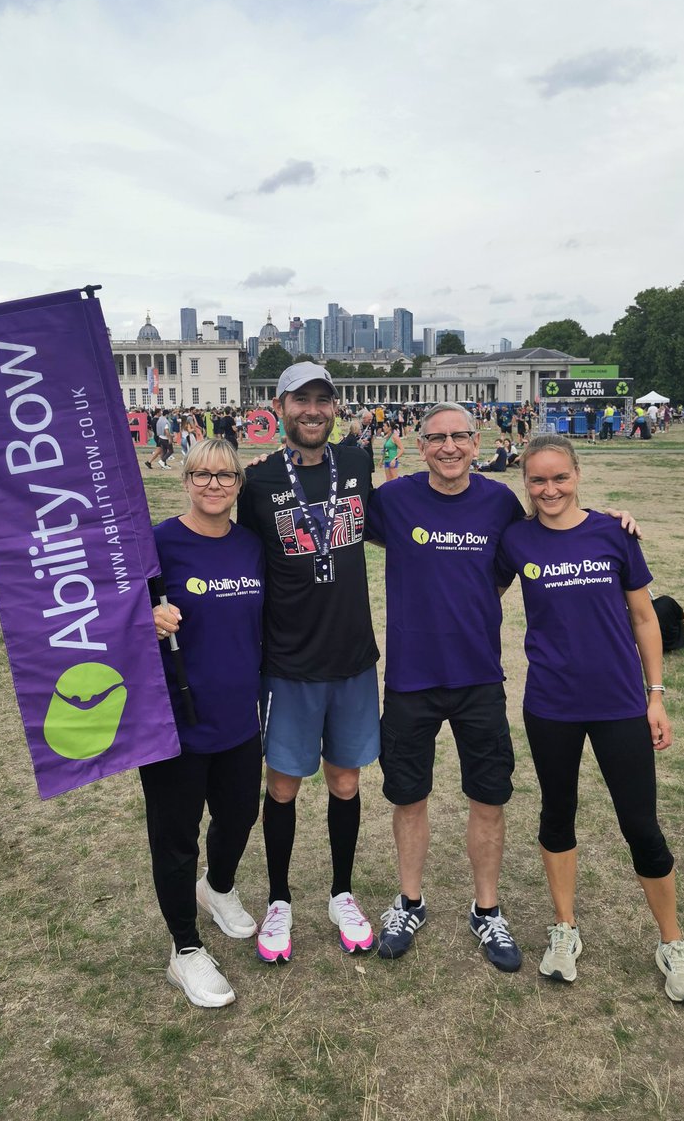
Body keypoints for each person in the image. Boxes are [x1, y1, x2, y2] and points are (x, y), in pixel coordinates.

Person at [497, 434, 684, 1004]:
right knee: (557, 812)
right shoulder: (515, 539)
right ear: (526, 484)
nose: (549, 489)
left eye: (559, 477)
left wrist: (655, 695)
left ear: (577, 474)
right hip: (551, 705)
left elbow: (644, 617)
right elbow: (476, 588)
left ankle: (672, 942)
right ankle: (564, 929)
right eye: (537, 480)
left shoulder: (614, 532)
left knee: (641, 825)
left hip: (619, 703)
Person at [367, 403, 527, 971]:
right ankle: (410, 901)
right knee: (408, 795)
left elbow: (532, 545)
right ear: (419, 443)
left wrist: (613, 517)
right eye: (437, 438)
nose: (449, 447)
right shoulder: (393, 500)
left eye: (460, 436)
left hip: (479, 676)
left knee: (489, 795)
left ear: (476, 440)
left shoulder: (500, 502)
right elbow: (325, 515)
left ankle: (487, 911)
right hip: (411, 677)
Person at [237, 363, 379, 963]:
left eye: (323, 399)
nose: (313, 410)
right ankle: (278, 898)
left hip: (351, 658)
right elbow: (228, 555)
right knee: (284, 786)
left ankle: (342, 892)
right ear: (280, 405)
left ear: (334, 407)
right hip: (288, 662)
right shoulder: (257, 482)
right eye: (301, 400)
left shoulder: (358, 465)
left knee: (346, 782)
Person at [145, 439, 265, 1008]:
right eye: (201, 474)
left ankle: (218, 889)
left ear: (239, 483)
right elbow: (112, 612)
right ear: (185, 479)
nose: (213, 484)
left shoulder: (251, 546)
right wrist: (146, 618)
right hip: (175, 722)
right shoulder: (158, 543)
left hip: (240, 715)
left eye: (225, 476)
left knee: (240, 813)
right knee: (175, 837)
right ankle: (185, 949)